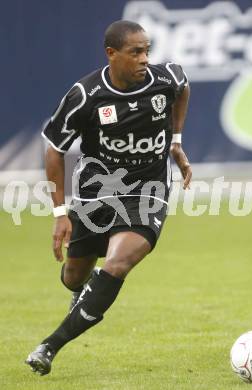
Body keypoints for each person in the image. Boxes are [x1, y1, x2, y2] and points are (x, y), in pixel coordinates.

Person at [25, 20, 192, 376]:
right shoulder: (85, 96)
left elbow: (184, 87)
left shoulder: (166, 80)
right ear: (112, 54)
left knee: (118, 264)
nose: (145, 59)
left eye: (147, 50)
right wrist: (60, 212)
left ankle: (49, 346)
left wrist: (175, 142)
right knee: (73, 276)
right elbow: (55, 150)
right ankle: (83, 290)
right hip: (95, 194)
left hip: (148, 192)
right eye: (135, 52)